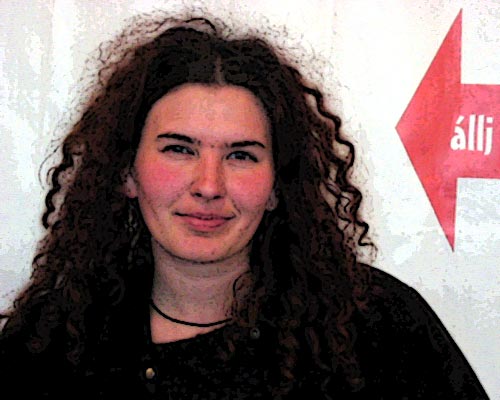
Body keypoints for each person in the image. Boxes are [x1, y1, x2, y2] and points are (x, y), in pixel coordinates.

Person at [0, 15, 488, 399]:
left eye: (241, 156)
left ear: (277, 186)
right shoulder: (49, 344)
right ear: (127, 173)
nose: (209, 185)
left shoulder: (379, 328)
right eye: (179, 149)